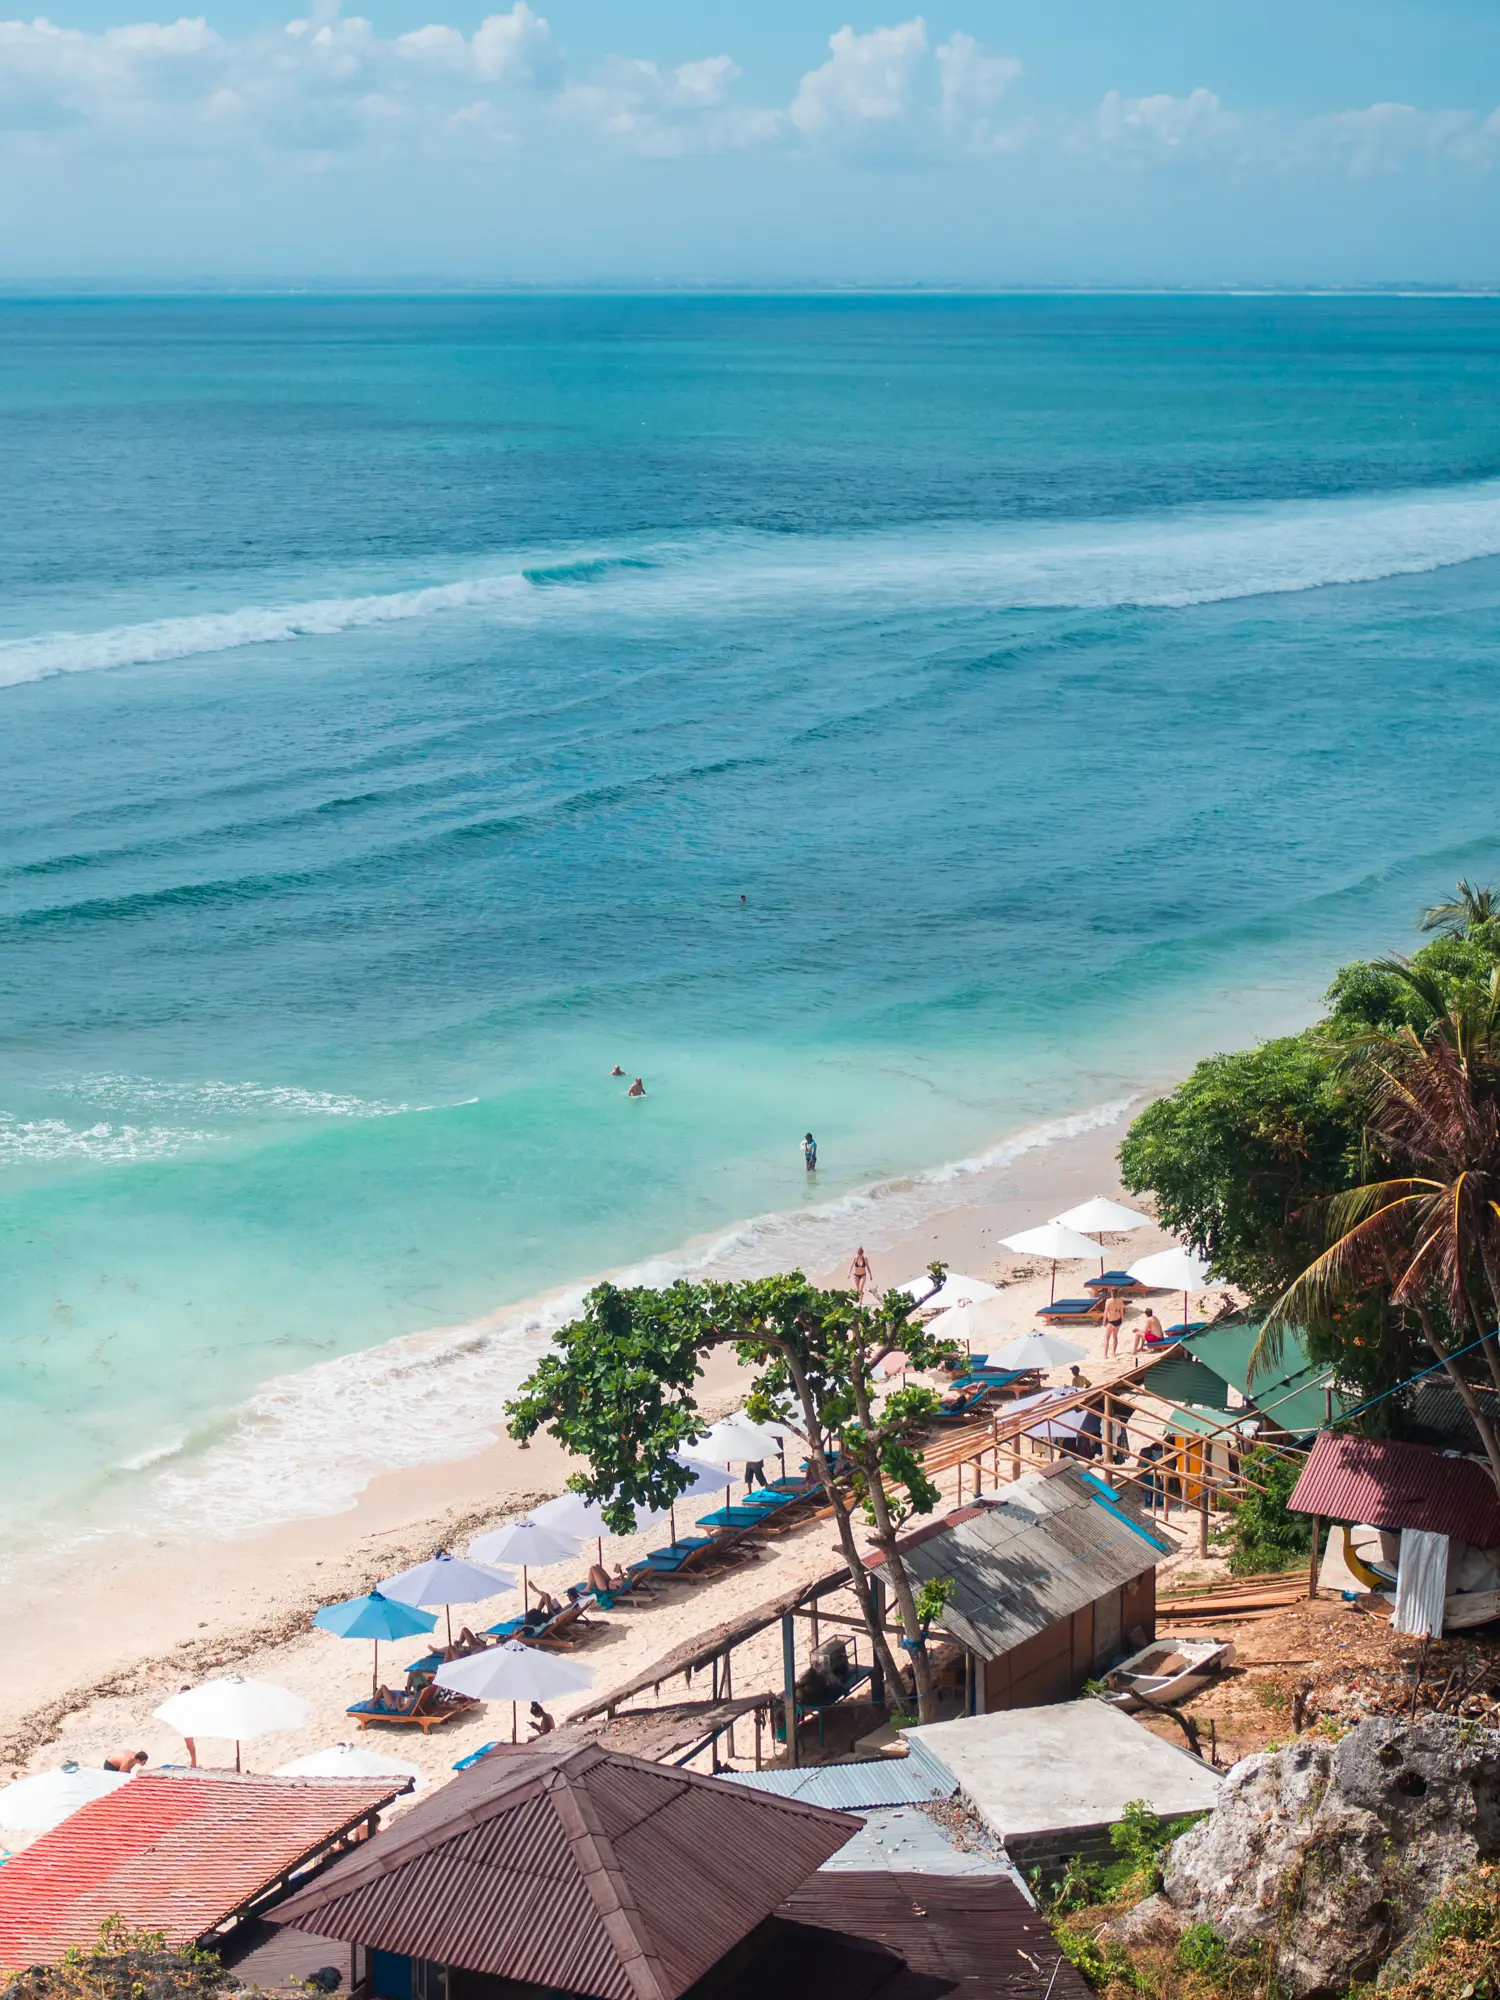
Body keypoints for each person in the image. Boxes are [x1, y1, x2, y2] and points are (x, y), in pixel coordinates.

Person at [1102, 1288, 1125, 1358]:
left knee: (1107, 1338)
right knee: (1115, 1337)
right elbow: (1121, 1311)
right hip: (1118, 1320)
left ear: (1111, 1293)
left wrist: (1104, 1320)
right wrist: (1121, 1320)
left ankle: (1105, 1355)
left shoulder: (1108, 1301)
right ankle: (1113, 1353)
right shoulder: (1120, 1301)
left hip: (1111, 1321)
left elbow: (1106, 1311)